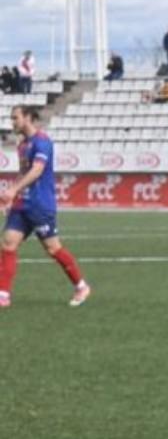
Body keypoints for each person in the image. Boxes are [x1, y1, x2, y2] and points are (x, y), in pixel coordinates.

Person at [0, 106, 89, 308]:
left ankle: (81, 286)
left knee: (53, 248)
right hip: (23, 203)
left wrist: (13, 190)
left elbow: (37, 170)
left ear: (28, 118)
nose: (12, 122)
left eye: (16, 118)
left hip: (40, 204)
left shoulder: (42, 141)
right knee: (8, 243)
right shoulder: (23, 145)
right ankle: (3, 294)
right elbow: (23, 173)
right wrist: (12, 197)